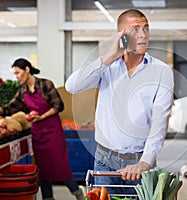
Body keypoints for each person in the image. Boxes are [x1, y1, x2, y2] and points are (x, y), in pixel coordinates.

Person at [65, 9, 174, 194]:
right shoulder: (107, 68)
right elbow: (72, 86)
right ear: (121, 35)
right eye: (135, 29)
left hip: (139, 161)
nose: (142, 35)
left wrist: (145, 162)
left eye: (146, 28)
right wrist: (109, 56)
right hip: (104, 160)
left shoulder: (161, 71)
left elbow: (159, 121)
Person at [0, 58, 84, 200]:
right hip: (38, 134)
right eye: (14, 74)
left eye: (18, 73)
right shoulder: (23, 92)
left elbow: (59, 106)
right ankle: (48, 198)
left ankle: (77, 192)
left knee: (59, 165)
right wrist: (1, 110)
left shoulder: (45, 84)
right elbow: (10, 108)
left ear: (27, 69)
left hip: (53, 131)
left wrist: (42, 116)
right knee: (43, 169)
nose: (17, 77)